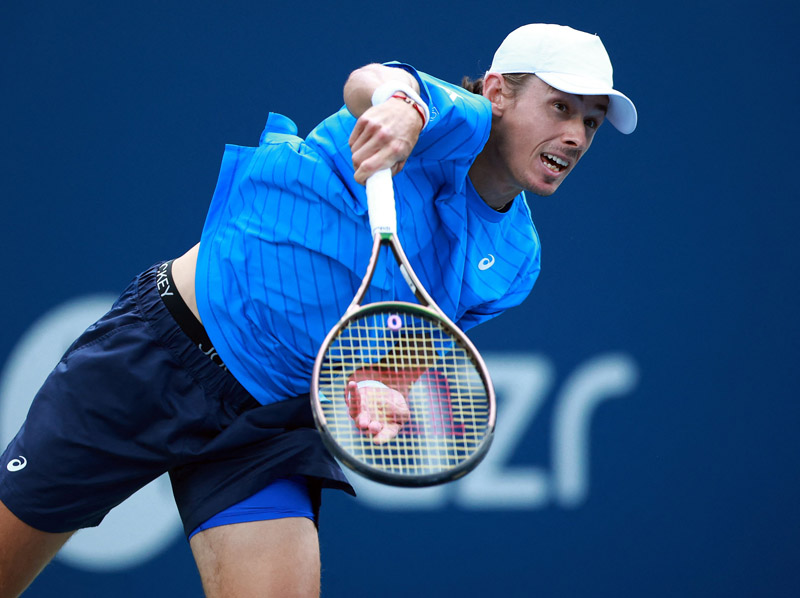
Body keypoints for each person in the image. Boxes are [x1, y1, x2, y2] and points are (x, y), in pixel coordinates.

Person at [0, 23, 636, 598]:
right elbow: (374, 83)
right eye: (560, 108)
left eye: (591, 122)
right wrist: (402, 111)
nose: (575, 136)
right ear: (497, 92)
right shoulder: (449, 116)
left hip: (268, 426)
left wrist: (382, 393)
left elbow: (407, 356)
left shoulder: (516, 259)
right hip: (162, 354)